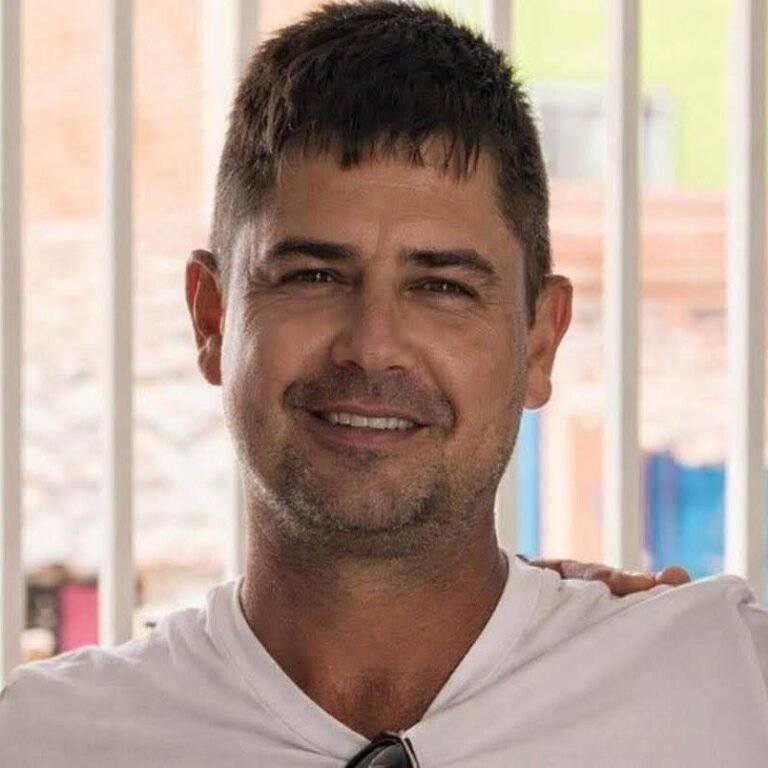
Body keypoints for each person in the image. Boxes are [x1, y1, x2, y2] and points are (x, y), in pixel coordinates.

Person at [2, 2, 766, 765]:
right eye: (313, 275)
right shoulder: (40, 740)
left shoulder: (732, 692)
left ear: (540, 341)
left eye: (443, 287)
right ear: (212, 319)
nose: (372, 347)